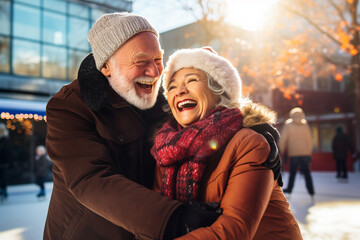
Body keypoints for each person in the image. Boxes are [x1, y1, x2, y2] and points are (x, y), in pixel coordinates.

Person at [44, 12, 224, 240]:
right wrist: (173, 218)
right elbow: (91, 179)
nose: (155, 71)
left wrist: (251, 130)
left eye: (158, 60)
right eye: (141, 62)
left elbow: (207, 120)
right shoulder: (69, 107)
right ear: (106, 67)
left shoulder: (163, 102)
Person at [151, 48, 302, 239]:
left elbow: (234, 230)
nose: (180, 90)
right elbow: (158, 220)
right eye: (172, 87)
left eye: (191, 80)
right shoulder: (164, 152)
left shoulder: (250, 143)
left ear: (219, 91)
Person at [279, 107, 315, 199]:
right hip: (305, 154)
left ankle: (289, 190)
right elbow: (309, 140)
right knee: (307, 173)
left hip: (293, 154)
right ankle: (311, 192)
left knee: (292, 173)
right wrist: (309, 152)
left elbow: (283, 139)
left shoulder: (288, 124)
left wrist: (281, 150)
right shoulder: (305, 124)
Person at [0, 123, 10, 201]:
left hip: (4, 162)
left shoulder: (5, 139)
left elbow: (7, 151)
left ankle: (4, 192)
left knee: (3, 177)